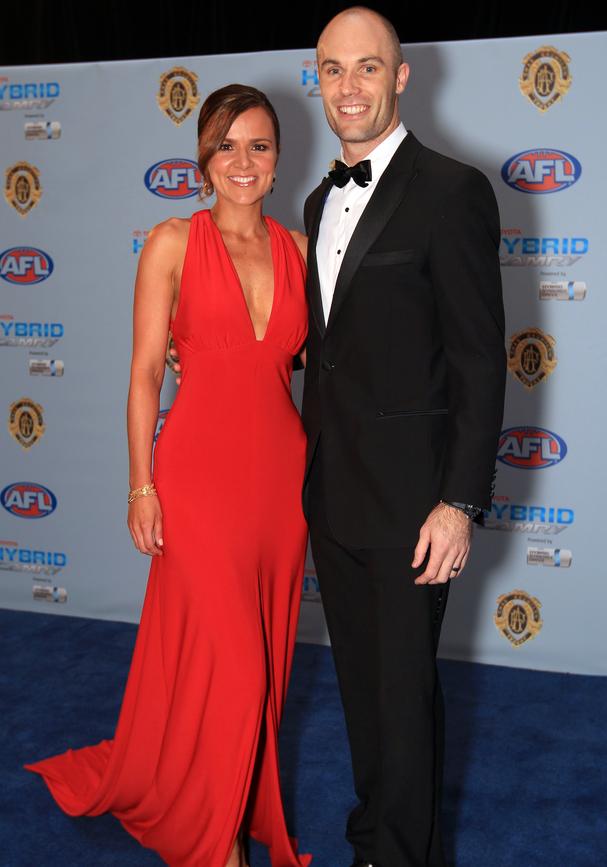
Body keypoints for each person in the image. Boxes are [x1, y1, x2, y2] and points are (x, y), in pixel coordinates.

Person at [24, 84, 312, 867]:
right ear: (203, 158)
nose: (242, 162)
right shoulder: (172, 243)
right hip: (197, 478)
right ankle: (216, 844)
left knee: (260, 666)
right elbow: (146, 372)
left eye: (258, 145)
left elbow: (316, 359)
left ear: (279, 156)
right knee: (236, 666)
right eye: (226, 146)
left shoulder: (298, 250)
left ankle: (216, 790)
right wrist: (140, 484)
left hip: (283, 485)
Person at [300, 7, 506, 867]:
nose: (349, 88)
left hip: (415, 504)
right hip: (334, 497)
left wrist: (458, 502)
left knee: (405, 697)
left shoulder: (452, 190)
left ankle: (403, 855)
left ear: (401, 76)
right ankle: (373, 837)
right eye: (333, 70)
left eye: (367, 68)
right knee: (361, 693)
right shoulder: (315, 200)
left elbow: (480, 361)